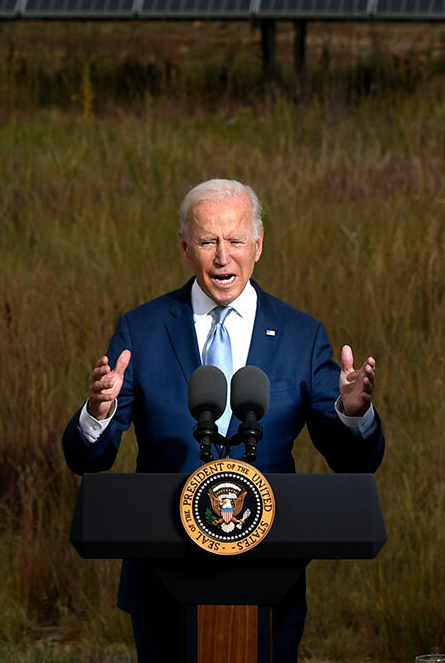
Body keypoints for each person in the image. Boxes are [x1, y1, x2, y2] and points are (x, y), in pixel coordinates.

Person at [62, 178, 383, 663]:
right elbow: (88, 456)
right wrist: (98, 413)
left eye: (235, 241)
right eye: (209, 241)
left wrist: (353, 414)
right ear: (185, 247)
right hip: (164, 575)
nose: (222, 257)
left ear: (258, 245)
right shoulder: (143, 329)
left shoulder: (300, 334)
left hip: (270, 573)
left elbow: (352, 458)